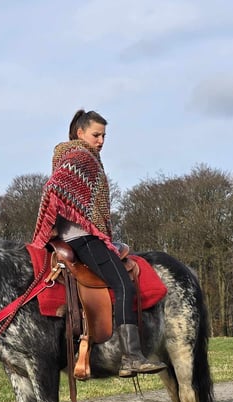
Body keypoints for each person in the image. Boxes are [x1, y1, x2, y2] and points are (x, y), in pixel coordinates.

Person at [31, 109, 166, 377]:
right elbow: (54, 189)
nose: (101, 141)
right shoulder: (81, 156)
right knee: (124, 285)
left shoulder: (64, 156)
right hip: (84, 239)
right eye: (96, 134)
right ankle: (131, 356)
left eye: (104, 135)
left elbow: (55, 189)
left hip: (72, 239)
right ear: (80, 133)